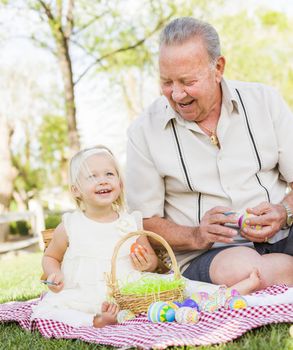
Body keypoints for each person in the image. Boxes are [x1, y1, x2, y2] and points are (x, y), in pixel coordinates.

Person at [126, 17, 293, 290]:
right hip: (211, 255)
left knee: (255, 268)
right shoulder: (143, 131)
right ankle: (271, 275)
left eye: (188, 81)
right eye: (166, 81)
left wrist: (284, 211)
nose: (177, 94)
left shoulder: (264, 101)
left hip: (284, 235)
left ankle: (271, 277)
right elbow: (145, 222)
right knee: (243, 268)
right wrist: (196, 235)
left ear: (218, 68)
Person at [31, 145, 158, 328]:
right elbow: (51, 257)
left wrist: (148, 263)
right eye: (93, 176)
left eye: (109, 174)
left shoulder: (131, 222)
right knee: (53, 308)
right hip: (84, 293)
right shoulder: (70, 225)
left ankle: (114, 314)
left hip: (128, 292)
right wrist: (54, 273)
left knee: (165, 290)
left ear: (120, 183)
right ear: (76, 190)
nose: (103, 181)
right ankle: (93, 320)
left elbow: (152, 261)